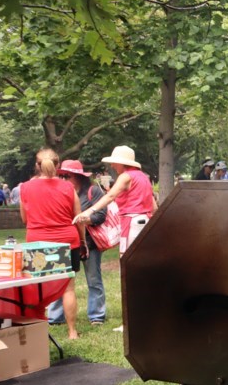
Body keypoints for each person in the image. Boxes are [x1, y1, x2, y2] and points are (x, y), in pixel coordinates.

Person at [20, 148, 87, 339]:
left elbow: (25, 219)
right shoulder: (68, 188)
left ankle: (37, 330)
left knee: (36, 288)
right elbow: (78, 218)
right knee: (69, 288)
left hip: (36, 243)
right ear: (58, 165)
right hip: (67, 241)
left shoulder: (25, 188)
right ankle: (72, 332)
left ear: (37, 166)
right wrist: (83, 241)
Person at [47, 160, 108, 327]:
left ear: (79, 177)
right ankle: (55, 317)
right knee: (60, 281)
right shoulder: (58, 191)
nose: (64, 179)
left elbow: (102, 214)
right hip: (65, 242)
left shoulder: (92, 191)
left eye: (68, 176)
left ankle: (96, 315)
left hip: (89, 242)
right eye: (62, 176)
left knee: (94, 279)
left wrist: (86, 219)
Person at [73, 145, 156, 257]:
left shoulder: (126, 176)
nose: (112, 165)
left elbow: (110, 196)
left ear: (121, 163)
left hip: (131, 222)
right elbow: (154, 207)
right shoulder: (143, 177)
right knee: (142, 258)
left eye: (114, 162)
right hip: (146, 221)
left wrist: (89, 211)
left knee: (128, 258)